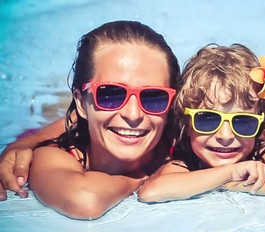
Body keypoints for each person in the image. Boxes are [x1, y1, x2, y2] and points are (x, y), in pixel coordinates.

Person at [21, 20, 180, 219]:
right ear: (80, 103)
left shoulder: (185, 145)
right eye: (110, 94)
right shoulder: (55, 156)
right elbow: (84, 201)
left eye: (154, 97)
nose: (133, 115)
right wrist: (142, 178)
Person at [138, 44, 265, 202]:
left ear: (260, 128)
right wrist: (231, 172)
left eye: (243, 122)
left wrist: (232, 182)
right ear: (186, 124)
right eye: (207, 119)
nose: (225, 136)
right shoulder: (186, 160)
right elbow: (151, 192)